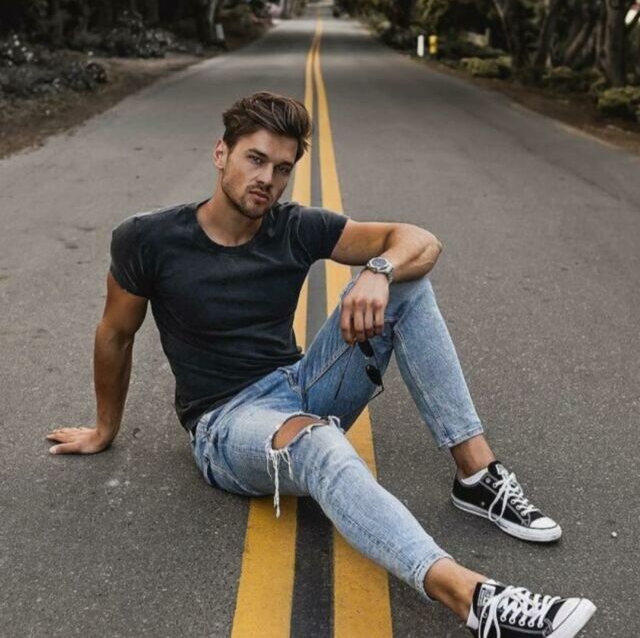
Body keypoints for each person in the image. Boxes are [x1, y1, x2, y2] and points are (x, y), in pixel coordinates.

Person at [47, 91, 596, 637]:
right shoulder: (148, 239)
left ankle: (477, 476)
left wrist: (378, 271)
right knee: (321, 445)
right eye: (255, 159)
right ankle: (472, 597)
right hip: (226, 424)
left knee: (407, 284)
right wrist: (104, 429)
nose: (267, 179)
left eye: (282, 168)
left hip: (300, 384)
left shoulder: (292, 227)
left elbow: (421, 241)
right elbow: (115, 334)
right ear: (221, 153)